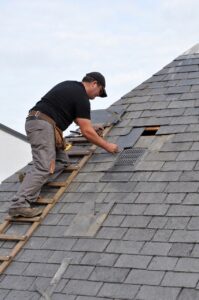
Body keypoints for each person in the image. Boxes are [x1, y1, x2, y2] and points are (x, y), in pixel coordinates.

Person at [8, 72, 119, 218]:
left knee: (62, 162)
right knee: (45, 166)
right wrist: (108, 146)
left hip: (41, 123)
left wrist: (93, 127)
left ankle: (30, 179)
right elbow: (86, 131)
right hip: (43, 125)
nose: (97, 96)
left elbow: (79, 121)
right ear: (94, 84)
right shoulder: (82, 97)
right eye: (99, 91)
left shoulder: (70, 86)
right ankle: (19, 204)